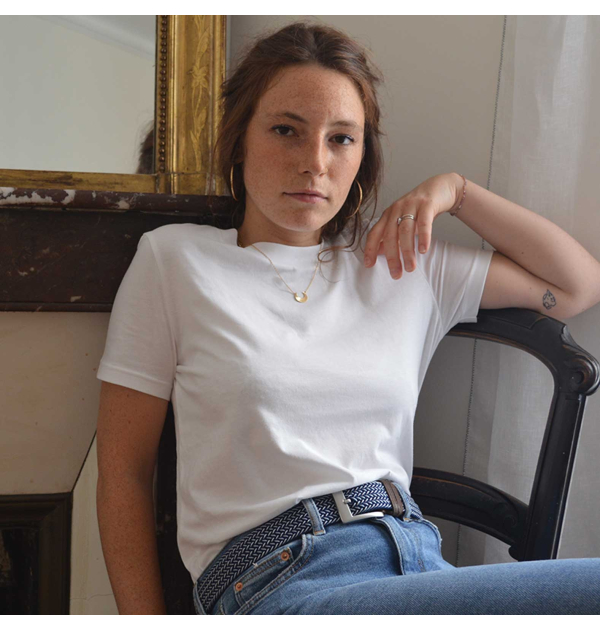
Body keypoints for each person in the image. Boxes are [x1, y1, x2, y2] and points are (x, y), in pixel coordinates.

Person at [95, 20, 600, 615]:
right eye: (286, 130)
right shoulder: (175, 260)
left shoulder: (403, 263)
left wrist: (456, 193)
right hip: (278, 582)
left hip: (418, 562)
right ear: (240, 139)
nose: (315, 162)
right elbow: (124, 473)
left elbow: (576, 285)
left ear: (363, 156)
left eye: (341, 139)